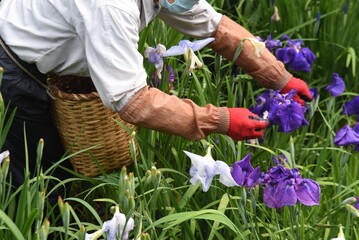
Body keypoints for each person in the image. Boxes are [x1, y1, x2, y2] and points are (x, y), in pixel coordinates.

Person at [0, 0, 312, 189]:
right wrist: (220, 120)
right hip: (11, 65)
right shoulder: (112, 7)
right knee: (33, 175)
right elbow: (131, 100)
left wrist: (280, 78)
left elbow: (217, 29)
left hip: (39, 56)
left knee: (53, 165)